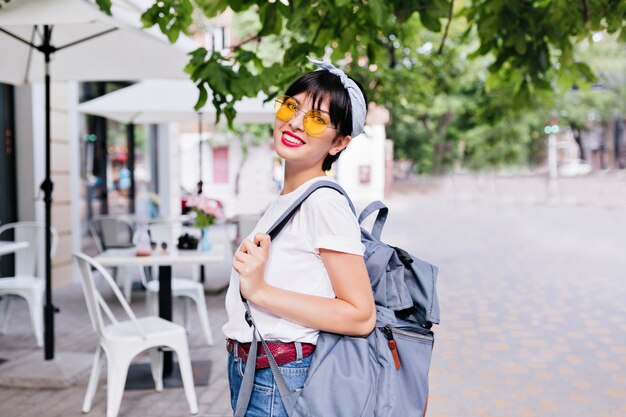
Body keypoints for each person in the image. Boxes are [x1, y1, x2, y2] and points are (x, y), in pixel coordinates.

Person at [222, 57, 376, 417]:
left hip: (281, 380)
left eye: (316, 119)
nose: (294, 123)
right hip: (252, 370)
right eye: (291, 106)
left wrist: (259, 291)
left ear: (338, 143)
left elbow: (359, 316)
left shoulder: (323, 203)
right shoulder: (287, 199)